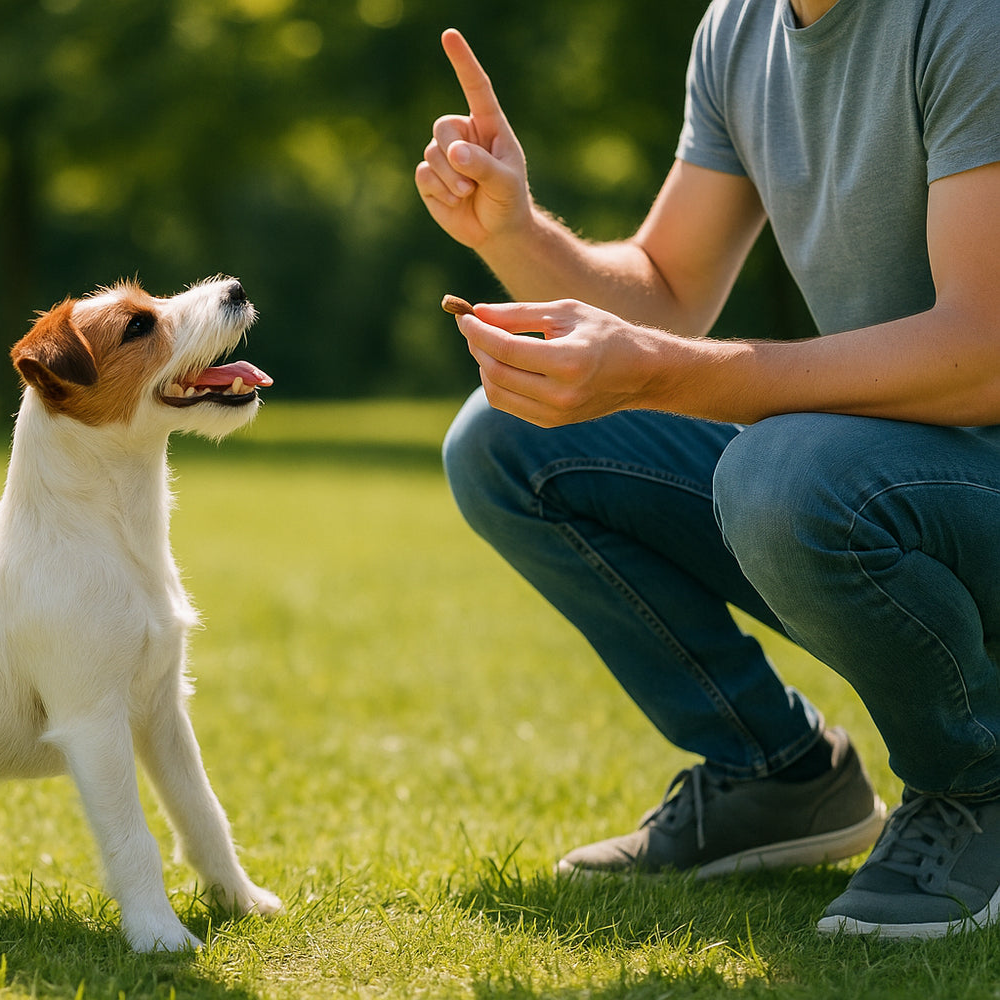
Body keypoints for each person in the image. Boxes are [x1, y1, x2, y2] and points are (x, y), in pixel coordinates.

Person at [415, 0, 1000, 939]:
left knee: (782, 471)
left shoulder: (969, 21)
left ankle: (978, 783)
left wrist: (658, 370)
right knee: (509, 440)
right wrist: (512, 231)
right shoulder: (739, 30)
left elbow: (985, 351)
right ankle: (776, 775)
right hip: (901, 477)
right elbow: (670, 288)